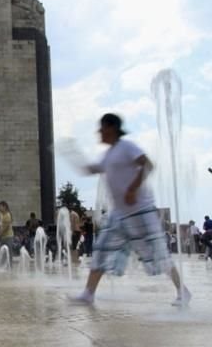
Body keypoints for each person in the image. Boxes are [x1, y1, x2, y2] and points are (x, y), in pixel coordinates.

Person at [69, 114, 190, 306]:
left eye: (102, 128)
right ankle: (88, 293)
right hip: (119, 214)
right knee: (101, 249)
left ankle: (182, 291)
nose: (99, 132)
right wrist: (73, 154)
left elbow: (147, 164)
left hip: (140, 211)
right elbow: (91, 170)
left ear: (111, 128)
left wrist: (133, 188)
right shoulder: (108, 154)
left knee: (157, 254)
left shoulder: (127, 147)